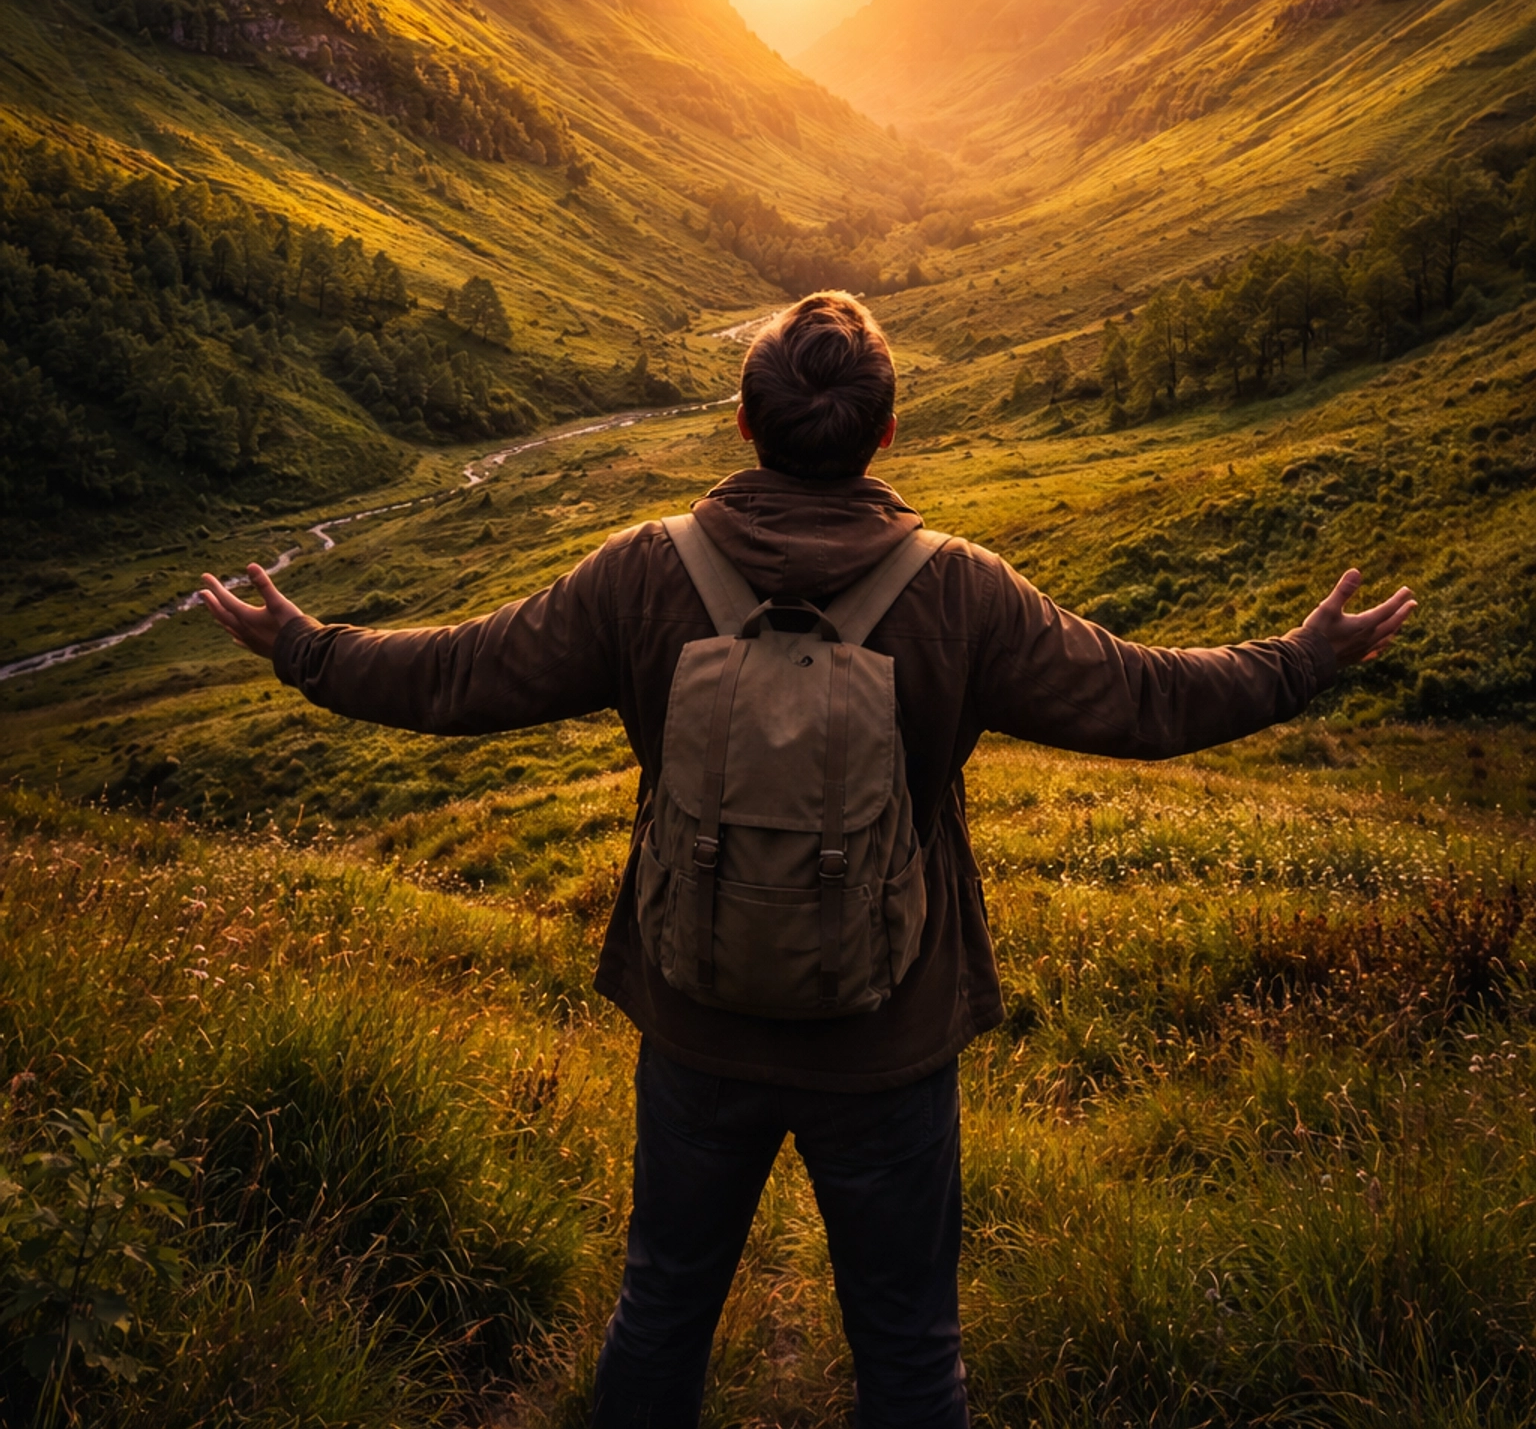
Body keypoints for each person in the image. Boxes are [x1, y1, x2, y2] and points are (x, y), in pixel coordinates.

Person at [198, 290, 1416, 1428]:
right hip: (888, 1033)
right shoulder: (962, 591)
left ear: (745, 422)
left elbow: (461, 675)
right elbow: (1147, 701)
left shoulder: (643, 570)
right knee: (908, 1345)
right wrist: (1299, 660)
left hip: (696, 1018)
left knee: (661, 1311)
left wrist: (308, 647)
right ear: (886, 432)